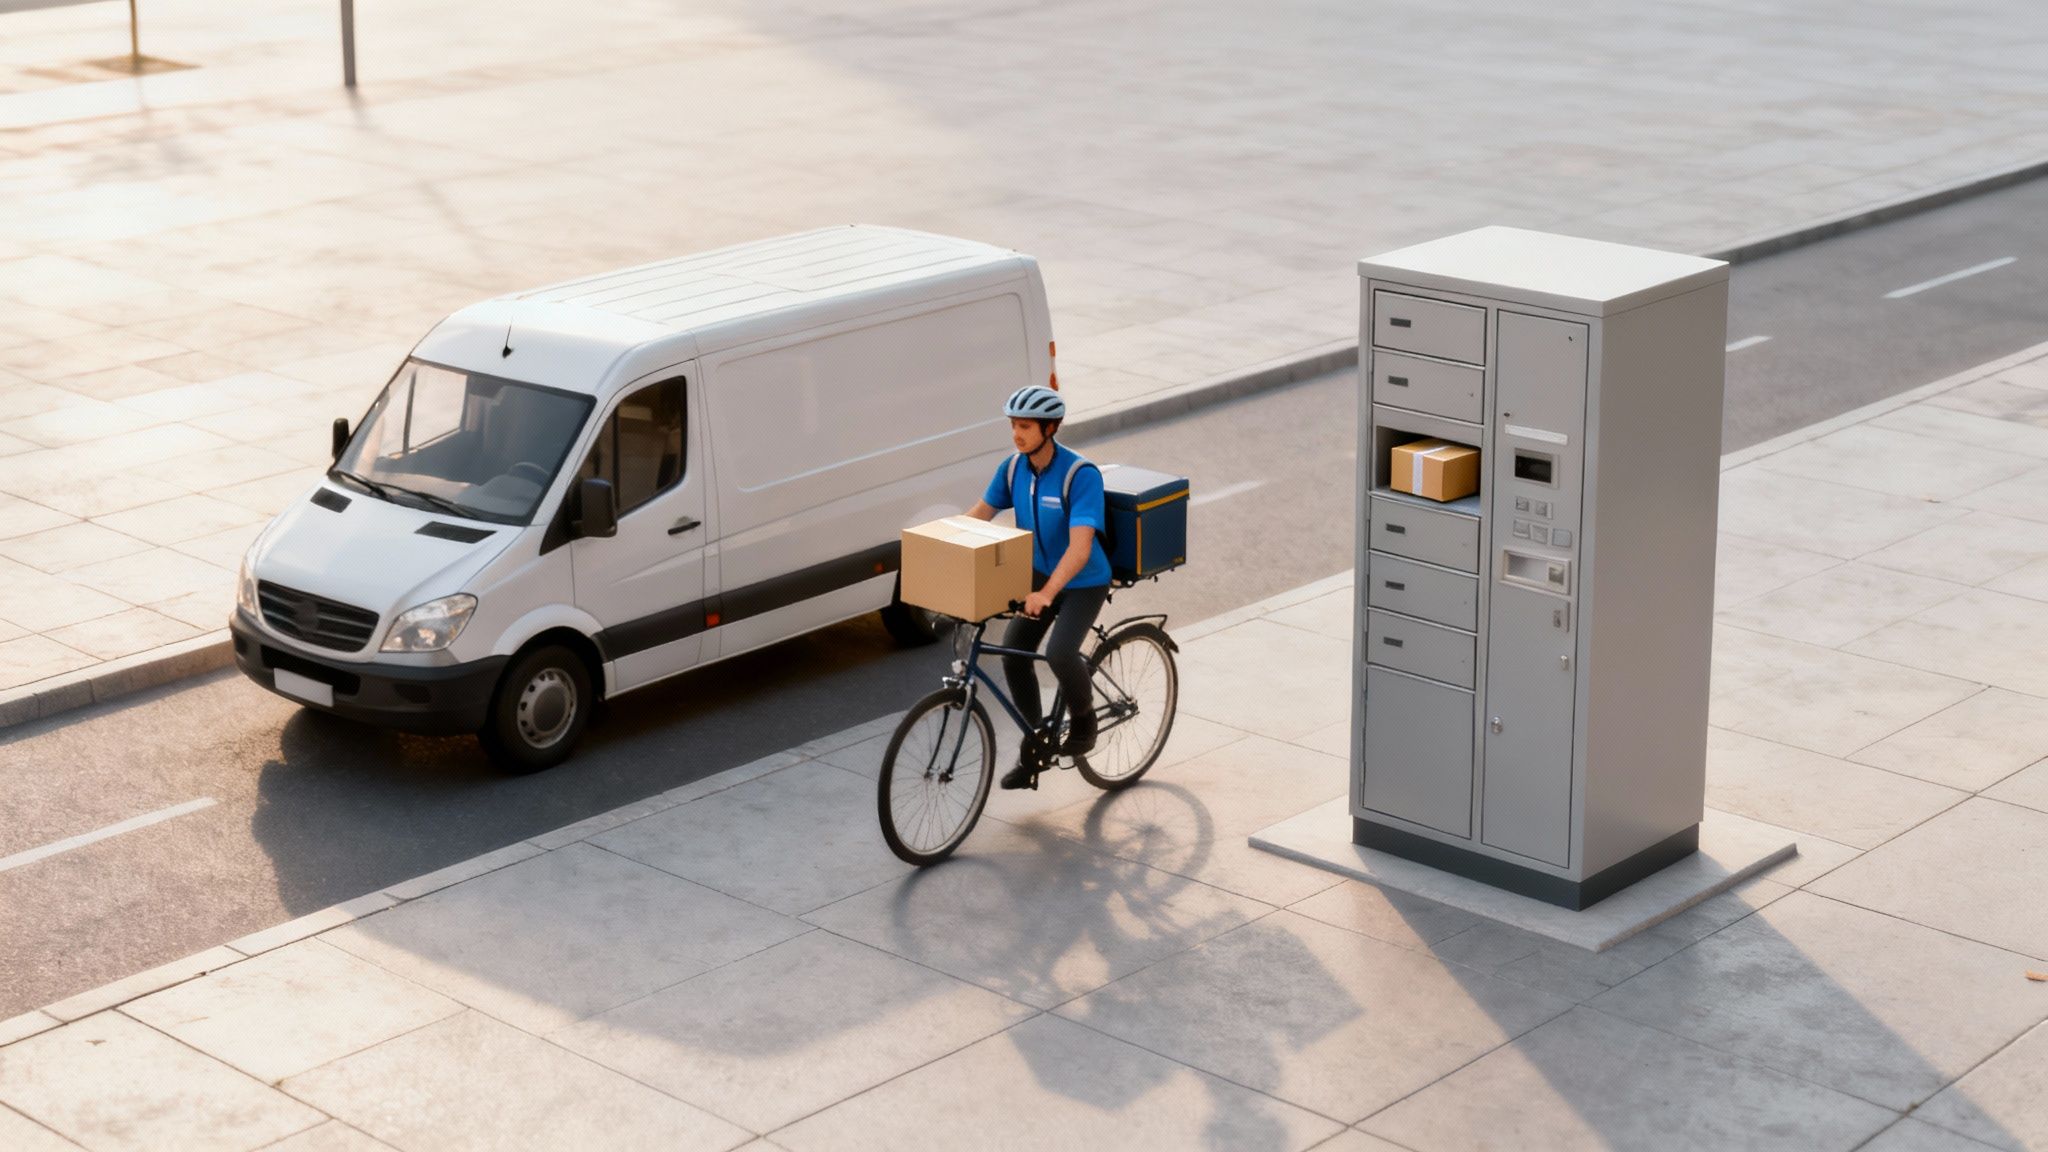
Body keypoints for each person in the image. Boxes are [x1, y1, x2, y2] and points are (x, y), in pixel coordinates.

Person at [964, 385, 1112, 790]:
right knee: (1014, 655)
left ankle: (1085, 718)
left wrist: (1047, 594)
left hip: (1083, 581)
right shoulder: (1013, 469)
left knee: (1060, 652)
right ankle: (1035, 744)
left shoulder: (1080, 475)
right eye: (1013, 425)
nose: (1016, 434)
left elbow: (1081, 549)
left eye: (1025, 426)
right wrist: (945, 548)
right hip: (1039, 577)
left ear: (1050, 428)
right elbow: (979, 515)